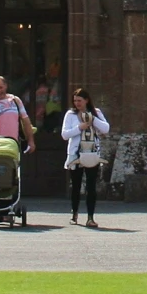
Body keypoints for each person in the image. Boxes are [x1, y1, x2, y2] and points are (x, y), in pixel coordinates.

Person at [61, 88, 110, 228]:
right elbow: (64, 135)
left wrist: (92, 119)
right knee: (75, 185)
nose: (77, 103)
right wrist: (79, 127)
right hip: (75, 153)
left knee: (91, 186)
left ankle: (90, 217)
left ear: (86, 100)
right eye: (75, 101)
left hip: (92, 153)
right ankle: (74, 213)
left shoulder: (96, 113)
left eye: (80, 101)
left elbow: (106, 128)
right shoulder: (70, 115)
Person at [0, 75, 35, 152]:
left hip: (14, 146)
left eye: (1, 87)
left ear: (5, 86)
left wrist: (31, 141)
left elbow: (26, 121)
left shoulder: (16, 101)